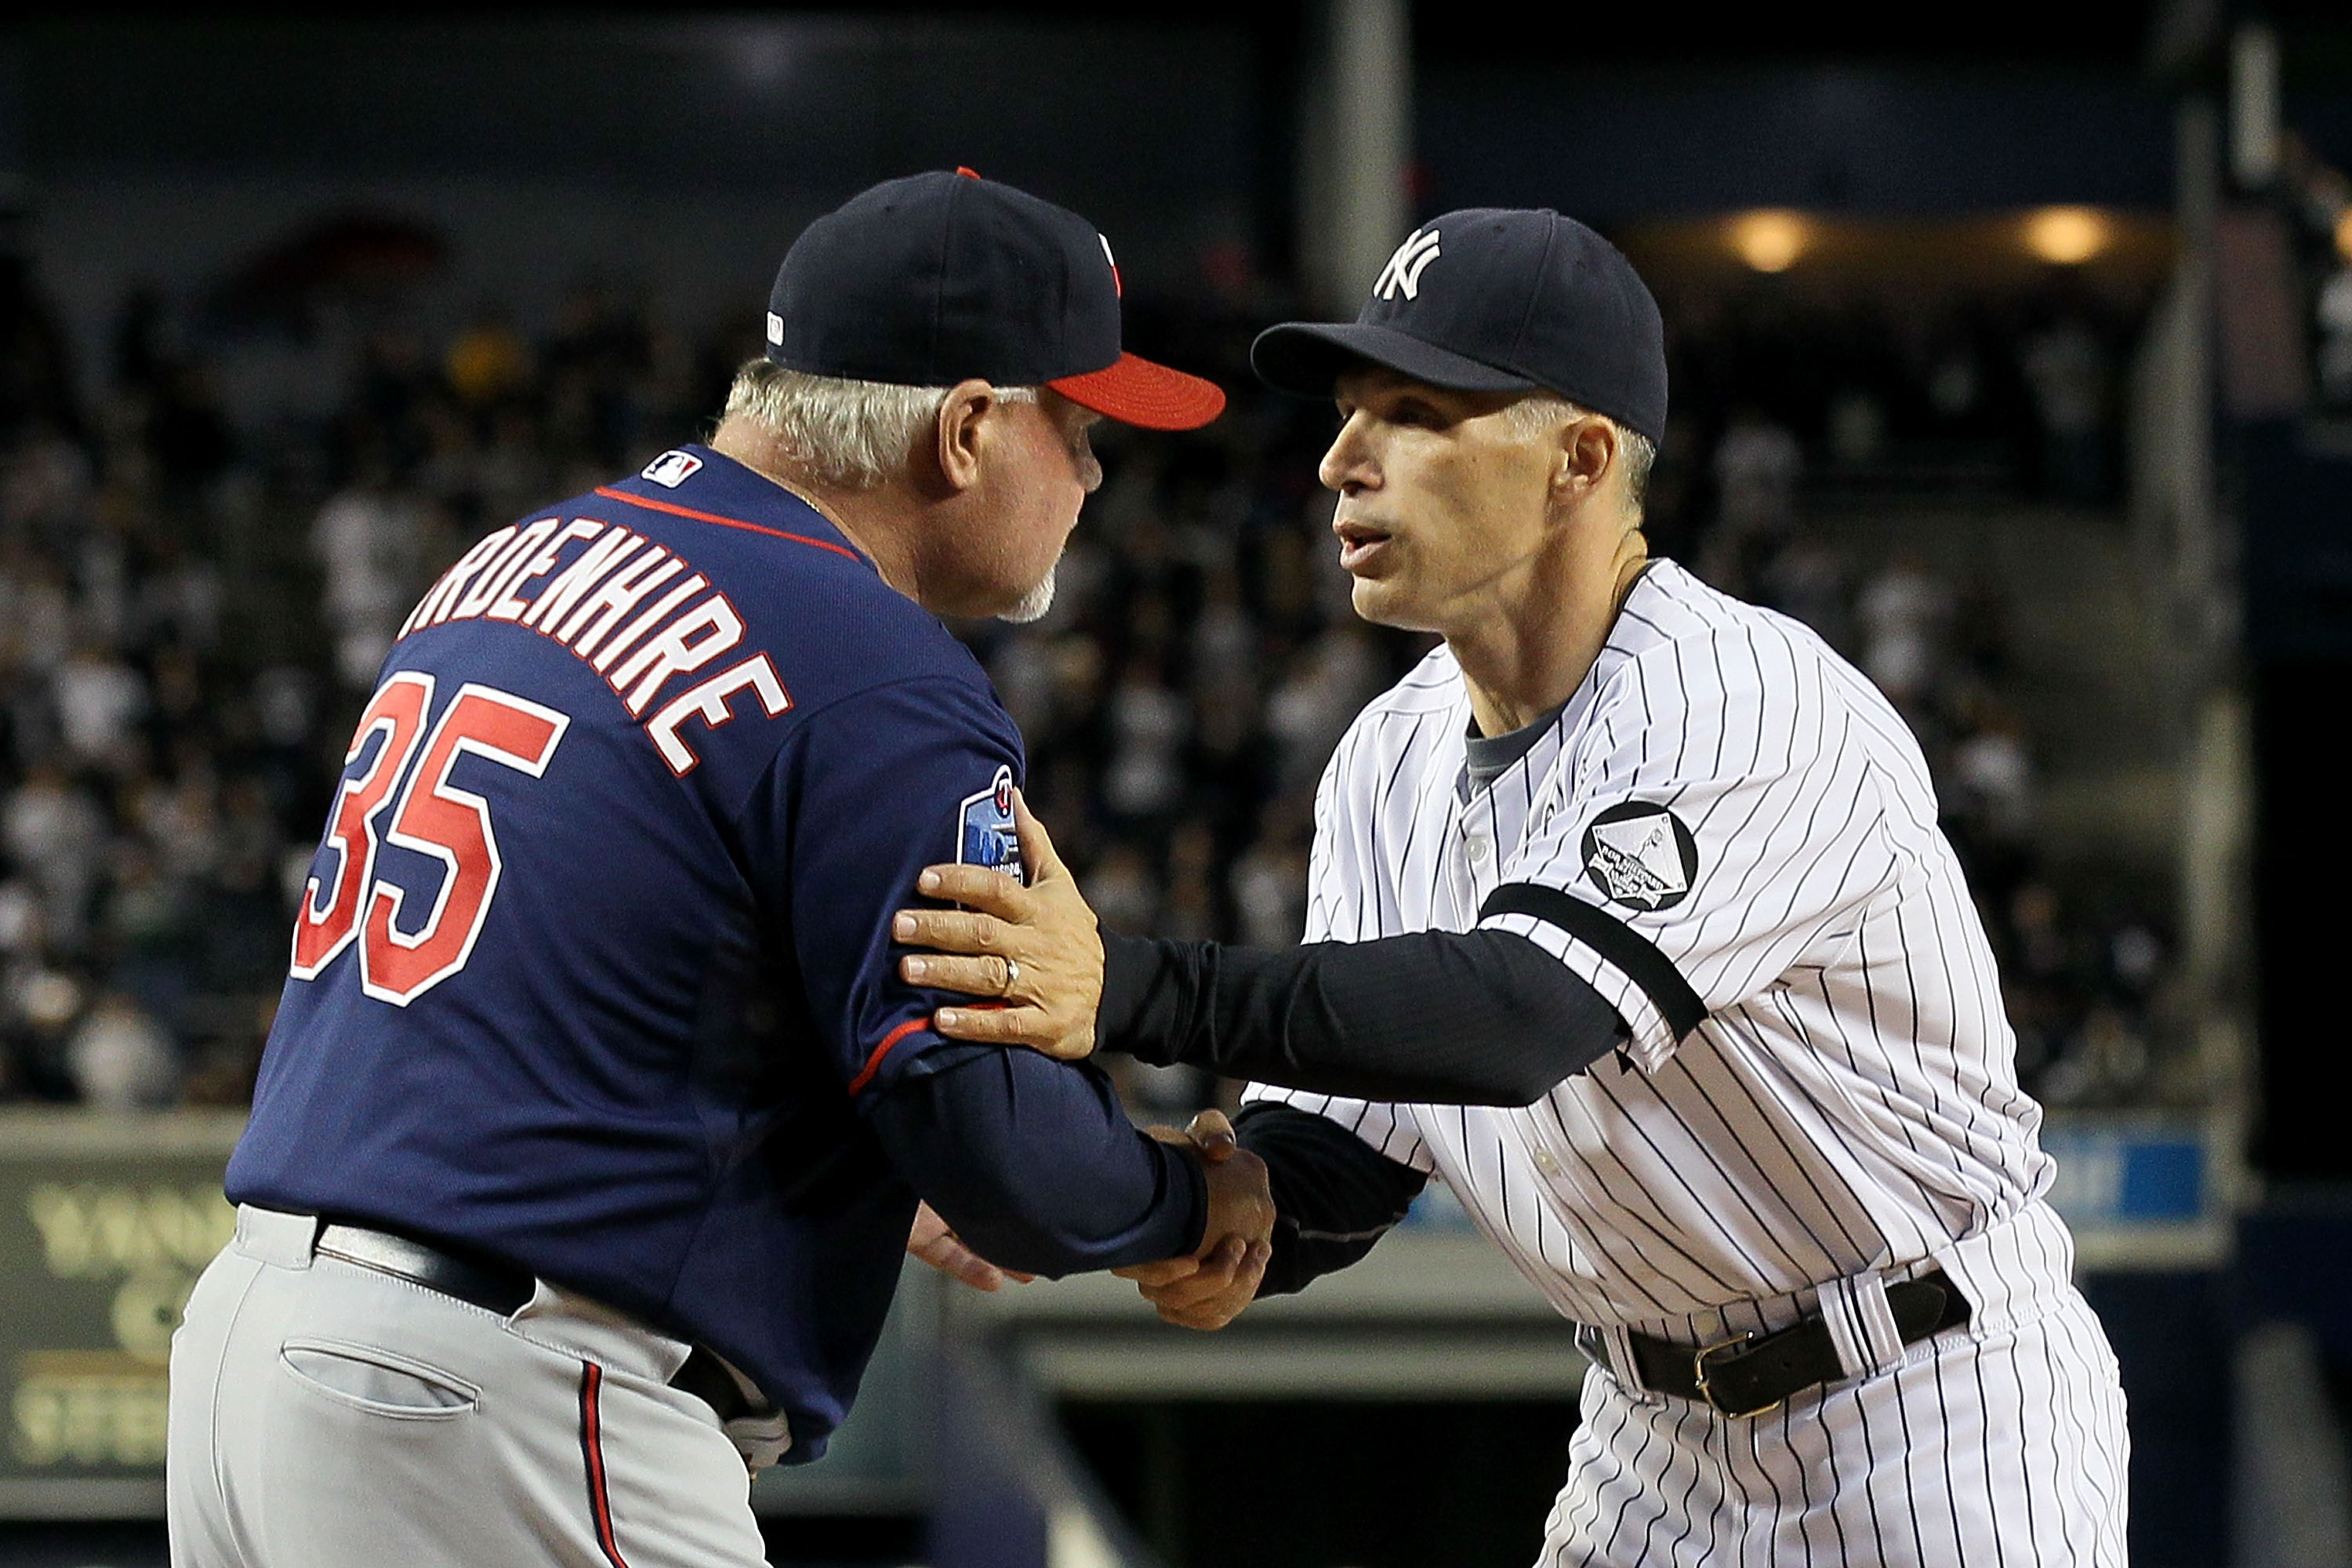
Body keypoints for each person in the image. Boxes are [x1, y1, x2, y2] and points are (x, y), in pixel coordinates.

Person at [898, 208, 2131, 1565]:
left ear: (1578, 461)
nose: (1339, 461)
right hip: (1651, 1435)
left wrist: (1121, 986)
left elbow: (1514, 1020)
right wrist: (1102, 1196)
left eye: (1413, 413)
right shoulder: (1387, 758)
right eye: (1349, 412)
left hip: (1930, 1405)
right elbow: (1339, 1158)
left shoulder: (1748, 704)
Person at [165, 170, 1282, 1568]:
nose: (1098, 473)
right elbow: (989, 1128)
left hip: (257, 1357)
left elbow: (609, 980)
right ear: (969, 427)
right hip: (499, 1402)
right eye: (1080, 426)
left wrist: (836, 1164)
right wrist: (1191, 1201)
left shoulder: (518, 556)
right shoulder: (868, 661)